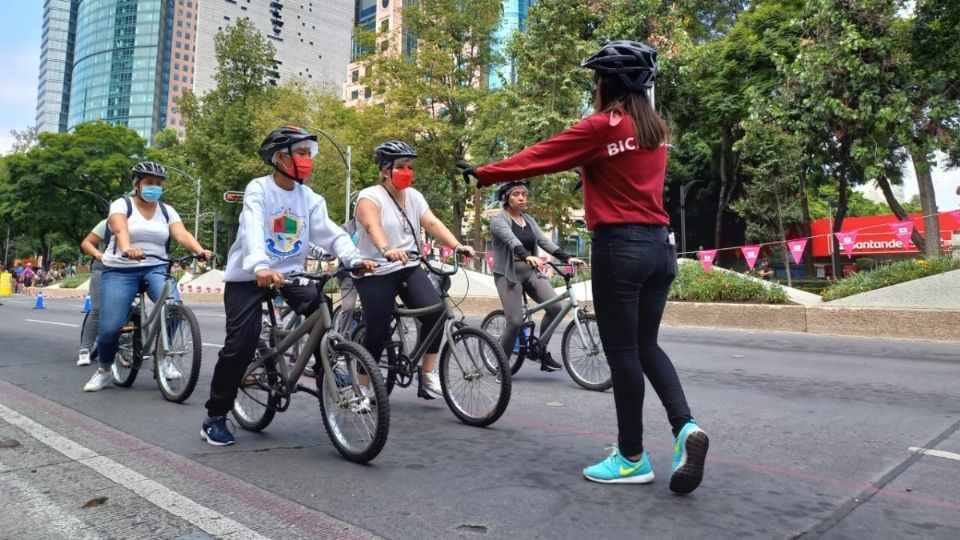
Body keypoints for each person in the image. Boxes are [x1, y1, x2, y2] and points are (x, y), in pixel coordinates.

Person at [460, 41, 708, 492]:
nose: (593, 87)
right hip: (661, 247)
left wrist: (484, 173)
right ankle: (685, 427)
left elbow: (542, 155)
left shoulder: (603, 126)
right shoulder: (655, 130)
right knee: (647, 345)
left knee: (624, 353)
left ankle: (631, 456)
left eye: (596, 80)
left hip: (621, 247)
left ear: (607, 84)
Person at [201, 126, 376, 446]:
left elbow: (331, 233)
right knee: (241, 343)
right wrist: (260, 265)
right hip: (249, 275)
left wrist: (353, 258)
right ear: (280, 158)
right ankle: (215, 415)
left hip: (292, 275)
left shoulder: (309, 198)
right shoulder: (259, 190)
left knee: (320, 309)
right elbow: (252, 227)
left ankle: (329, 369)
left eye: (310, 155)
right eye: (302, 154)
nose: (309, 161)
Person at [353, 140, 475, 400]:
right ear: (385, 170)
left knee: (436, 314)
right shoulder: (369, 197)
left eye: (409, 166)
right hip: (376, 269)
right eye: (400, 166)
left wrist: (457, 245)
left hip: (408, 266)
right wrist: (386, 248)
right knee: (377, 330)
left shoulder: (415, 197)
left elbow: (431, 222)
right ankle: (362, 388)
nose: (407, 170)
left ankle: (427, 375)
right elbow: (373, 226)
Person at [83, 161, 213, 393]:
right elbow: (121, 229)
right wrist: (127, 248)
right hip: (121, 268)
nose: (155, 187)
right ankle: (104, 369)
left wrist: (200, 250)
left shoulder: (166, 210)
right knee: (111, 327)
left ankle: (163, 357)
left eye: (159, 184)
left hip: (156, 267)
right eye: (149, 183)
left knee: (174, 307)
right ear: (136, 183)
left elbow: (181, 234)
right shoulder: (121, 205)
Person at [488, 180, 583, 370]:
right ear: (506, 197)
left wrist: (566, 258)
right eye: (516, 194)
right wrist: (527, 256)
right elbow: (511, 241)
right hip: (509, 274)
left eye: (524, 194)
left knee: (556, 308)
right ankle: (502, 366)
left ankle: (540, 350)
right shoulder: (499, 220)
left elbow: (542, 240)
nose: (522, 197)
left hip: (530, 271)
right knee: (514, 322)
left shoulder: (528, 219)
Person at [77, 219, 108, 366]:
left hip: (130, 269)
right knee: (97, 309)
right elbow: (86, 242)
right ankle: (85, 350)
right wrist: (98, 254)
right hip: (103, 267)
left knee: (132, 308)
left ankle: (127, 347)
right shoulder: (108, 223)